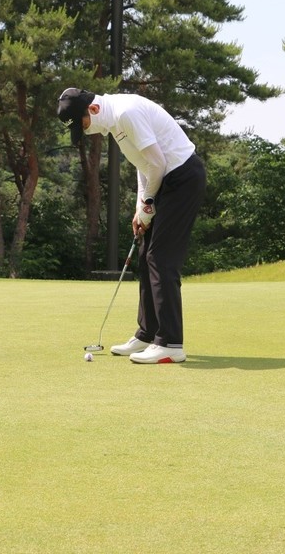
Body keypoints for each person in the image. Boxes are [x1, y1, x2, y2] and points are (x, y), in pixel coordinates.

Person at [57, 88, 206, 364]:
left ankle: (170, 343)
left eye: (83, 126)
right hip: (165, 178)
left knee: (161, 257)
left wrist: (149, 203)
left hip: (183, 178)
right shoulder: (114, 121)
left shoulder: (125, 113)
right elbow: (143, 164)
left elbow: (158, 163)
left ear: (93, 110)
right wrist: (141, 207)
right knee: (145, 253)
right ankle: (148, 334)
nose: (86, 132)